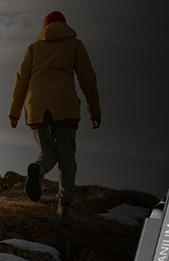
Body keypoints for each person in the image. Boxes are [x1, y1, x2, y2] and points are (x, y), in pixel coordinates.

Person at [8, 11, 101, 222]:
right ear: (65, 25)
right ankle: (65, 207)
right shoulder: (75, 44)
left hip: (37, 105)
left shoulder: (34, 47)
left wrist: (15, 112)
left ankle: (39, 169)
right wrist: (94, 112)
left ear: (44, 27)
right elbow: (88, 79)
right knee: (67, 156)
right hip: (65, 105)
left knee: (48, 150)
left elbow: (21, 79)